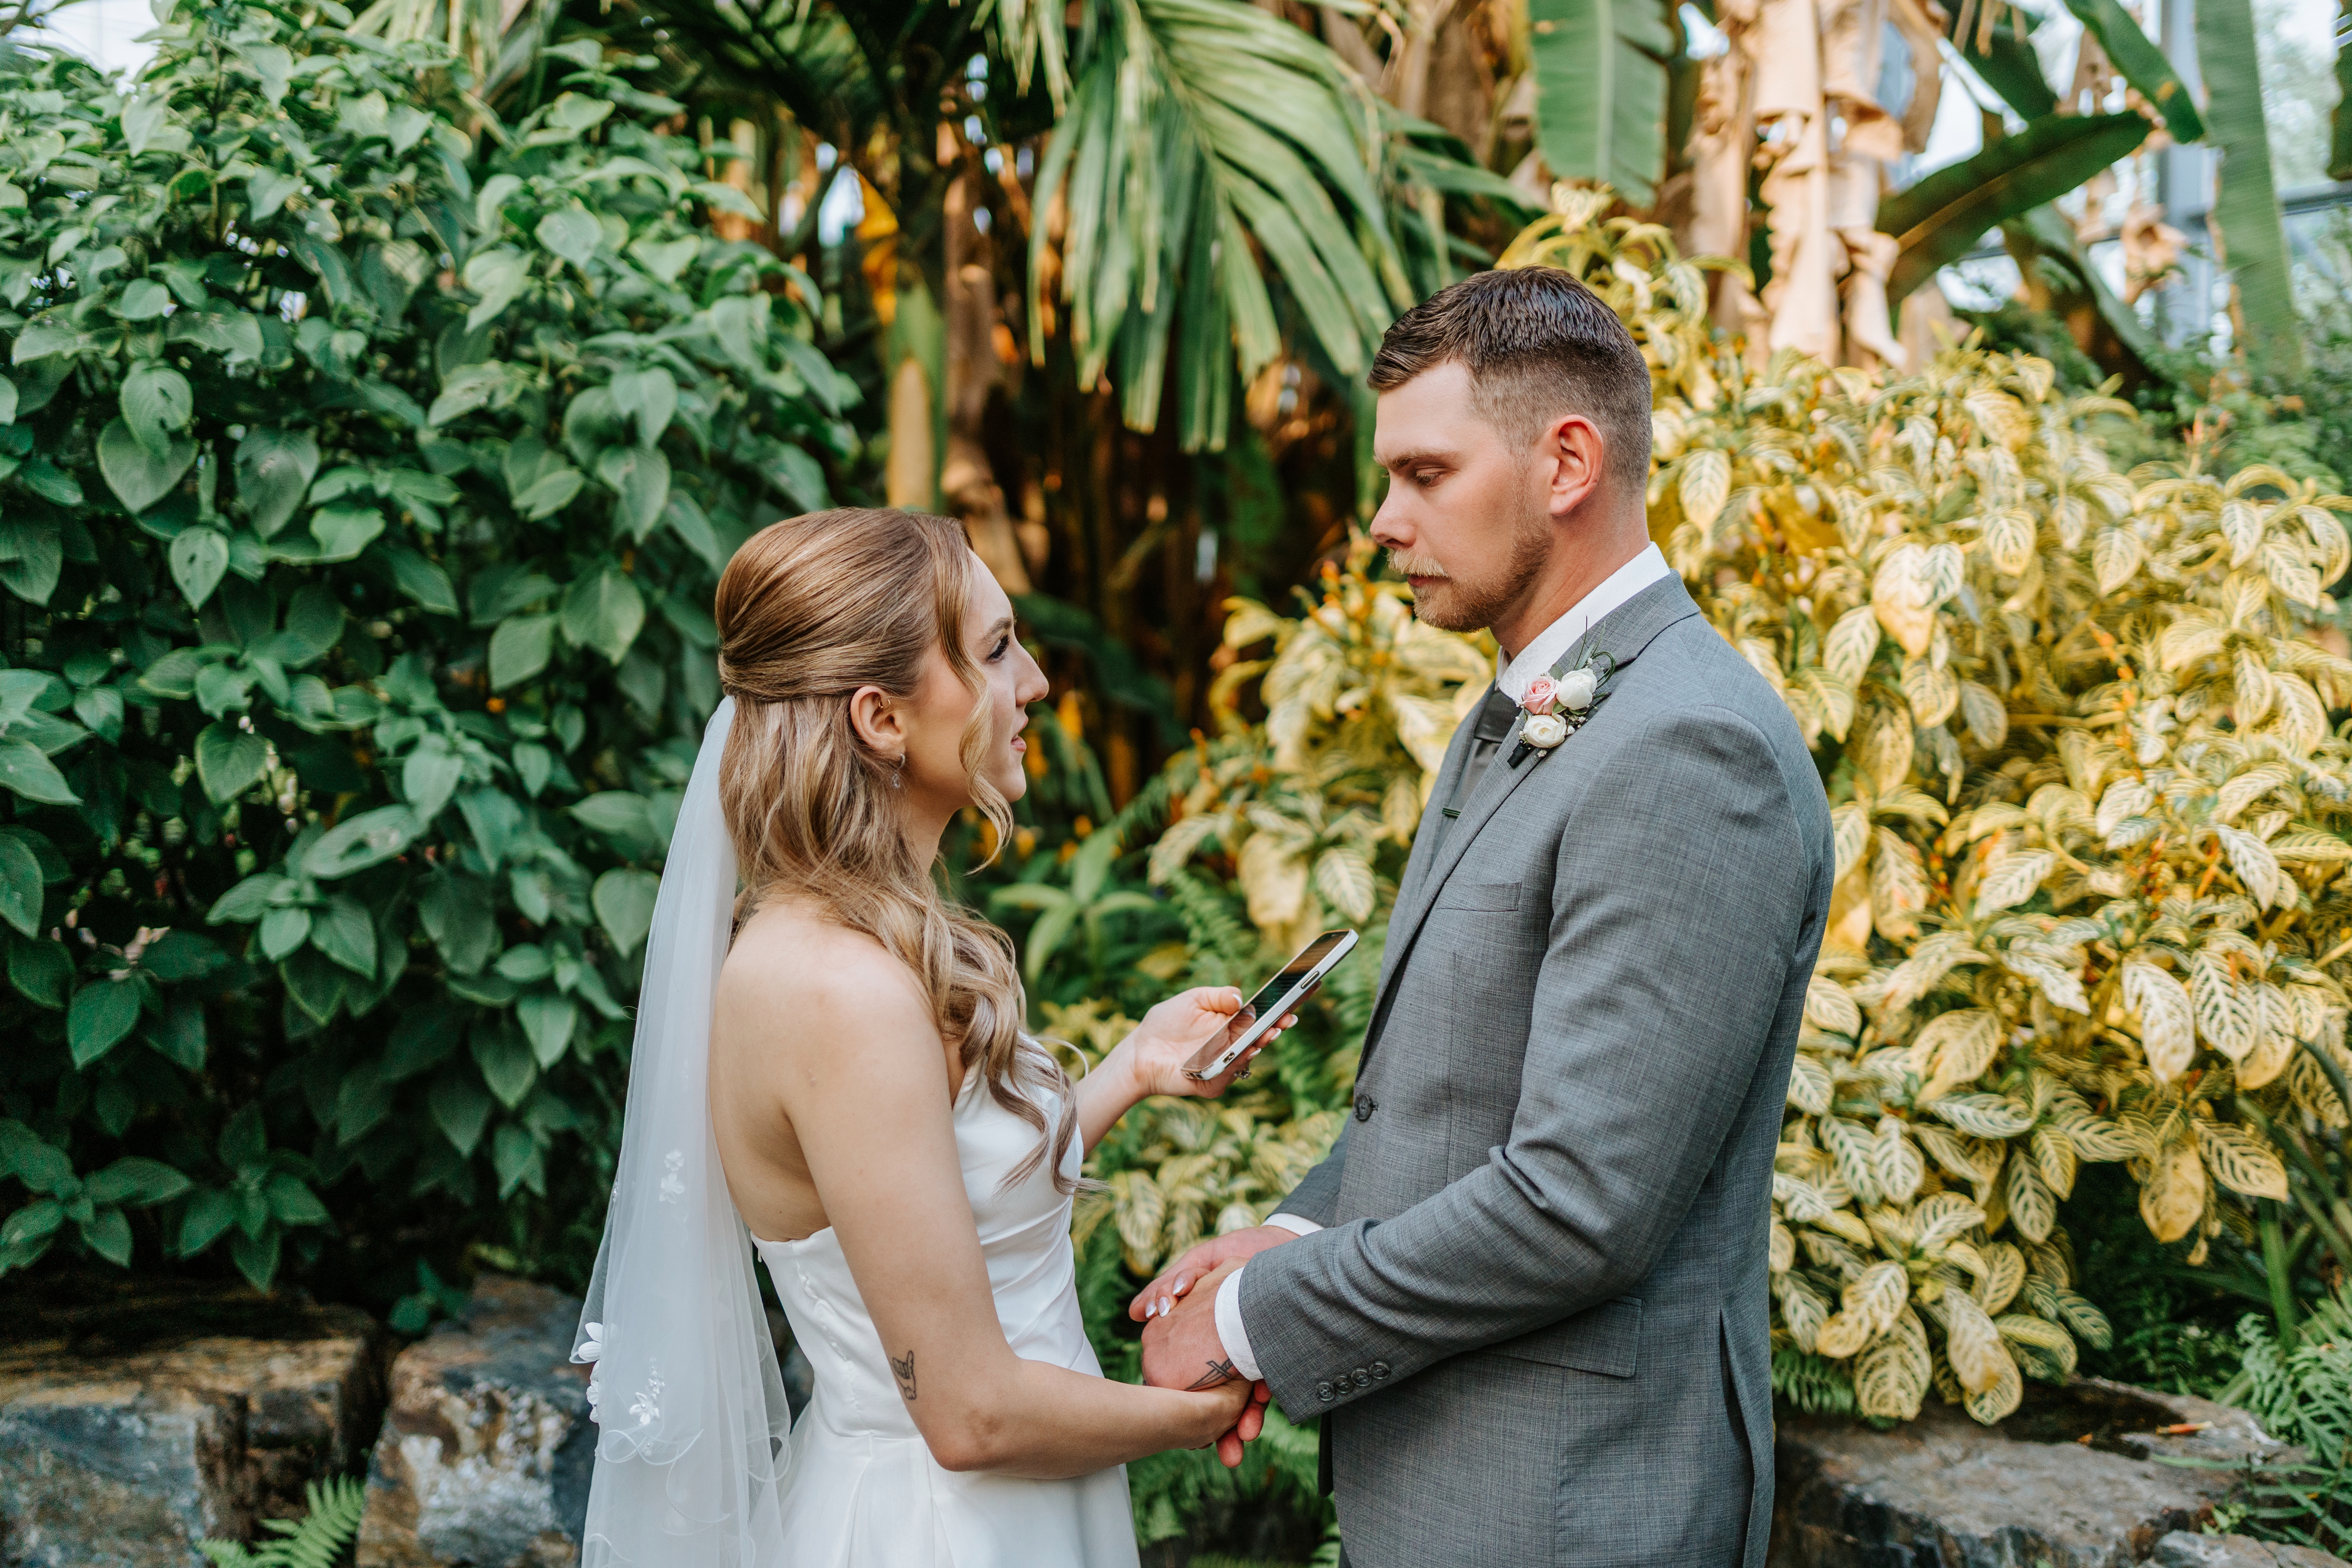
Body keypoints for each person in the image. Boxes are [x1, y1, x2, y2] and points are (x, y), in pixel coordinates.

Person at [1131, 266, 1834, 1568]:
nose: (1384, 520)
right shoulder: (1533, 700)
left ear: (1568, 460)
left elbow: (1580, 1200)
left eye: (1425, 474)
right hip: (1466, 1480)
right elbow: (1458, 1096)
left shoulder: (1688, 747)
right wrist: (1291, 1230)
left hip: (1574, 1507)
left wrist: (1247, 1322)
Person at [571, 507, 1279, 1567]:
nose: (1034, 680)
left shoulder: (853, 938)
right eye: (996, 650)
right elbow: (971, 1414)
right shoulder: (839, 991)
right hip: (941, 1529)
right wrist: (1200, 1400)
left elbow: (949, 1206)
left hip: (1011, 1508)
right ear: (881, 716)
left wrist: (1132, 1068)